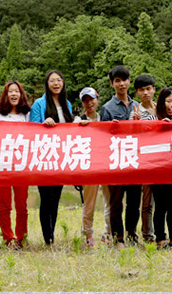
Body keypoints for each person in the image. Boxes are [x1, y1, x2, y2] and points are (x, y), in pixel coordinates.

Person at [30, 69, 73, 246]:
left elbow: (71, 128)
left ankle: (52, 235)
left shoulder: (67, 104)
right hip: (44, 156)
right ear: (47, 84)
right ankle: (48, 238)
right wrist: (43, 123)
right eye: (52, 81)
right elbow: (32, 129)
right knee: (46, 198)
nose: (56, 83)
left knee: (56, 198)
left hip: (61, 157)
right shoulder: (39, 104)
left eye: (59, 80)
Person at [100, 65, 142, 246]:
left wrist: (139, 124)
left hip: (135, 160)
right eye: (117, 81)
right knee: (116, 202)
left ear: (129, 81)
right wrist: (111, 128)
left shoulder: (137, 106)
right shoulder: (107, 108)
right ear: (112, 84)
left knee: (134, 202)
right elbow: (102, 137)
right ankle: (118, 238)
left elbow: (145, 134)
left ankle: (132, 235)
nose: (122, 84)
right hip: (115, 160)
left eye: (124, 80)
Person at [0, 81, 31, 249]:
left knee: (22, 204)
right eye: (11, 91)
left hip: (22, 164)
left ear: (21, 95)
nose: (14, 94)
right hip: (3, 164)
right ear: (6, 95)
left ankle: (22, 239)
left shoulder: (26, 114)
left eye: (17, 91)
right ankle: (8, 239)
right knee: (5, 204)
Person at [74, 87, 111, 247]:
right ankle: (88, 235)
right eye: (86, 100)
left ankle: (108, 232)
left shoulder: (105, 117)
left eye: (92, 99)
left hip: (105, 165)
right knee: (89, 203)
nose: (89, 103)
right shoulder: (78, 120)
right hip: (88, 168)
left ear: (97, 99)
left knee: (109, 201)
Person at [151, 87, 172, 249]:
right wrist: (159, 126)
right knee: (160, 206)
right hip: (159, 170)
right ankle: (160, 238)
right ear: (161, 103)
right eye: (168, 101)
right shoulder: (154, 120)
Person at [132, 73, 157, 242]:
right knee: (146, 201)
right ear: (137, 93)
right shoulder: (135, 111)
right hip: (146, 160)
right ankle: (147, 234)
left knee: (160, 201)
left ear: (154, 90)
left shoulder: (161, 107)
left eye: (148, 89)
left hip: (163, 159)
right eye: (142, 90)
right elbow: (131, 136)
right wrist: (134, 123)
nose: (146, 93)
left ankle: (161, 233)